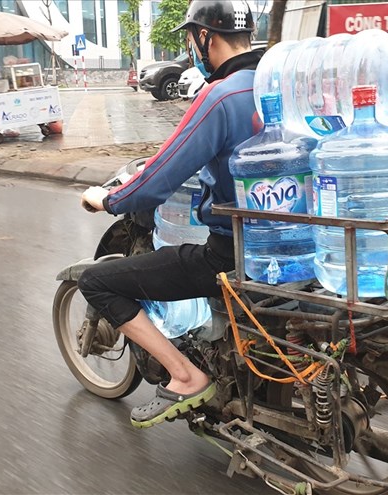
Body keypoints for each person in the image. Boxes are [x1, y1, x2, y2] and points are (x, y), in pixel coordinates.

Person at [78, 0, 264, 428]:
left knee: (97, 282)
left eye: (190, 37)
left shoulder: (221, 95)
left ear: (205, 37)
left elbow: (160, 177)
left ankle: (186, 375)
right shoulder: (280, 86)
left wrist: (107, 201)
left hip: (232, 253)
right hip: (297, 245)